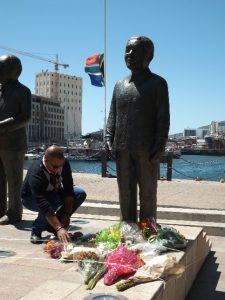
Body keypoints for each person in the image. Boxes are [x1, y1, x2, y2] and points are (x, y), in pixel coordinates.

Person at [106, 36, 170, 222]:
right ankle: (127, 228)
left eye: (135, 50)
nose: (130, 54)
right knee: (125, 192)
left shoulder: (157, 83)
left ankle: (148, 231)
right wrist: (109, 139)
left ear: (148, 56)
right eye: (127, 50)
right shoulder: (119, 85)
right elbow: (112, 116)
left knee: (148, 192)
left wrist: (160, 143)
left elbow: (163, 116)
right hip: (121, 147)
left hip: (146, 148)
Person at [21, 145, 86, 244]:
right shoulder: (35, 171)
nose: (58, 169)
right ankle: (37, 230)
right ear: (46, 160)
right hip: (30, 198)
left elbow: (69, 189)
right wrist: (59, 228)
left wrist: (67, 214)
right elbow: (42, 202)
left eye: (60, 166)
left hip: (53, 192)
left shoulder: (63, 164)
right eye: (55, 167)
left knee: (79, 193)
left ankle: (52, 226)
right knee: (49, 202)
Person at [0, 55, 31, 225]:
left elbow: (25, 117)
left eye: (1, 67)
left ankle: (14, 212)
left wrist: (2, 125)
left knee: (13, 181)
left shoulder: (23, 91)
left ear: (14, 71)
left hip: (14, 144)